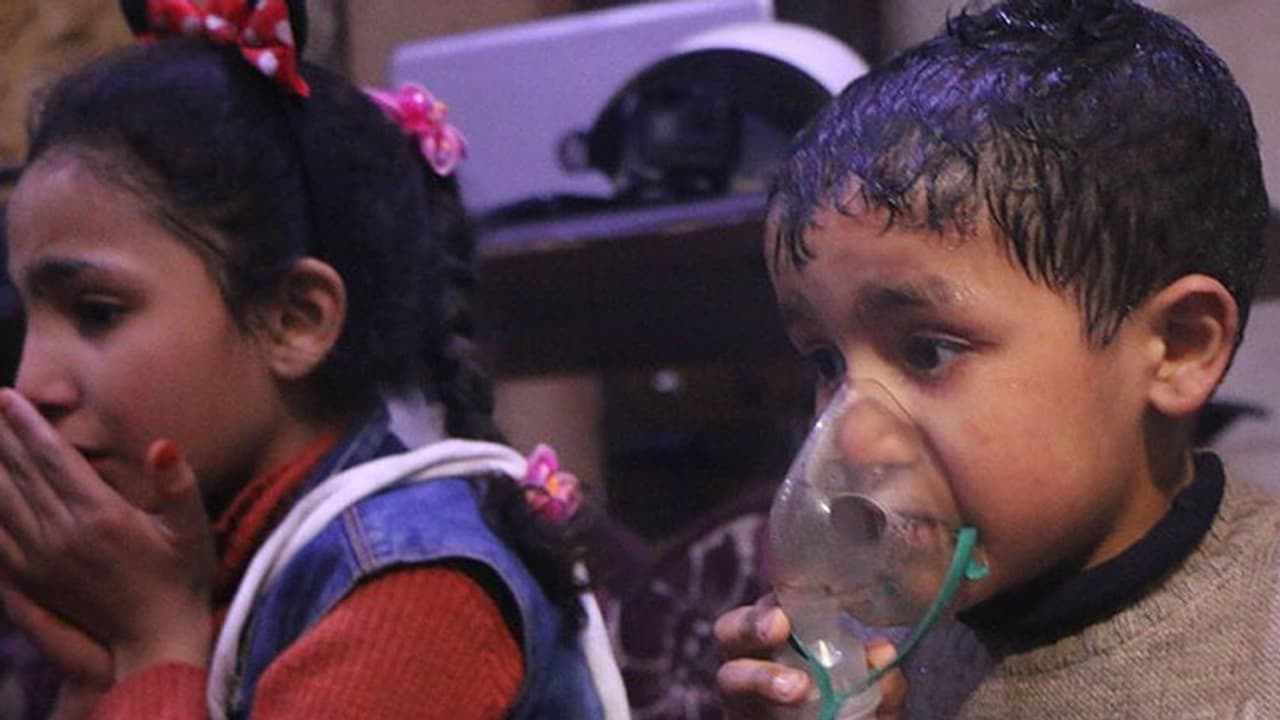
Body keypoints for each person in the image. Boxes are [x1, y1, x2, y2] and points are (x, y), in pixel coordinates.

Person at [0, 0, 626, 718]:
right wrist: (95, 674)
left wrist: (152, 645)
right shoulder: (194, 563)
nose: (30, 385)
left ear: (293, 321)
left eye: (96, 312)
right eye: (25, 321)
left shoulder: (414, 589)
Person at [713, 0, 1279, 717]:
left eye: (928, 351)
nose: (851, 437)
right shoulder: (871, 646)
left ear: (1177, 347)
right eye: (826, 364)